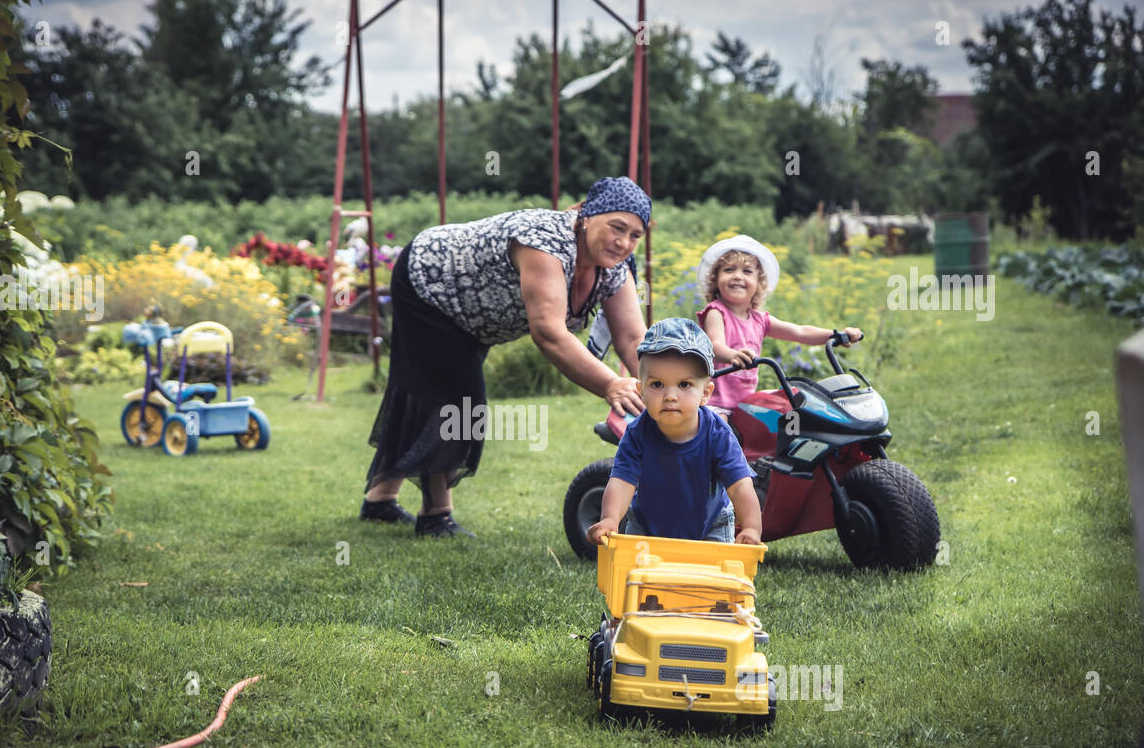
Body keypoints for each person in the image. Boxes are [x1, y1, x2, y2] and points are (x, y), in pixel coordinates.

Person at [361, 176, 651, 537]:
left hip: (471, 315)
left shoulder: (614, 267)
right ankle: (435, 514)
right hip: (430, 283)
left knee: (420, 390)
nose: (624, 242)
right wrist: (611, 384)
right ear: (588, 216)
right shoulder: (544, 241)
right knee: (456, 399)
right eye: (617, 227)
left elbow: (631, 336)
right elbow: (548, 332)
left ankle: (379, 500)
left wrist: (657, 385)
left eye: (635, 235)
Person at [586, 317, 762, 546]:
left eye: (684, 385)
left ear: (706, 393)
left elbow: (740, 485)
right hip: (647, 525)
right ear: (641, 390)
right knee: (638, 579)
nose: (670, 395)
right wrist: (610, 519)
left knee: (712, 580)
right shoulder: (637, 433)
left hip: (710, 525)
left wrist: (751, 526)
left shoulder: (718, 434)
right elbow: (621, 482)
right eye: (657, 385)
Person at [696, 234, 863, 417]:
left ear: (759, 284)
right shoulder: (716, 312)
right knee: (724, 436)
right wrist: (732, 355)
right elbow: (715, 345)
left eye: (747, 271)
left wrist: (836, 335)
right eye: (729, 269)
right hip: (717, 403)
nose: (737, 276)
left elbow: (800, 332)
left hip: (746, 404)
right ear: (716, 279)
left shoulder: (760, 320)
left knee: (786, 420)